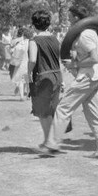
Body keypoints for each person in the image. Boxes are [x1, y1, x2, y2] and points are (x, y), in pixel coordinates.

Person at [41, 5, 98, 158]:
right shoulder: (90, 32)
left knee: (63, 108)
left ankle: (52, 144)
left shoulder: (85, 35)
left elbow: (94, 58)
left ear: (76, 17)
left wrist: (75, 64)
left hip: (87, 77)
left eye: (70, 16)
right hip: (95, 77)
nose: (68, 18)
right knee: (93, 114)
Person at [27, 9, 63, 151]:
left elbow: (32, 59)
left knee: (43, 111)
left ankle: (49, 141)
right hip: (56, 75)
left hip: (43, 76)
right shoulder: (55, 39)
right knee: (52, 109)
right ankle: (49, 140)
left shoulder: (34, 41)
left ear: (33, 24)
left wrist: (28, 72)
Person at [9, 26, 30, 99]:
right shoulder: (31, 42)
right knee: (27, 80)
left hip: (20, 63)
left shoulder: (19, 42)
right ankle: (28, 95)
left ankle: (21, 96)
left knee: (20, 80)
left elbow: (11, 51)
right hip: (29, 63)